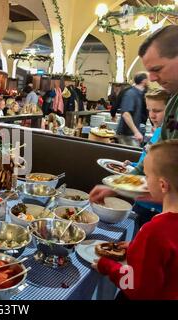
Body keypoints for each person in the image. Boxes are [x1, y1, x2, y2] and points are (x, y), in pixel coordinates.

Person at [90, 25, 178, 204]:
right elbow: (160, 152)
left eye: (157, 69)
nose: (152, 78)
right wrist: (117, 186)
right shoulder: (174, 101)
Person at [92, 140, 178, 300]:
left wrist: (107, 266)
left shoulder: (154, 230)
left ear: (162, 185)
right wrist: (135, 248)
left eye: (146, 176)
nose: (144, 181)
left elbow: (136, 288)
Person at [123, 89, 170, 227]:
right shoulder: (158, 131)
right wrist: (133, 164)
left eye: (157, 111)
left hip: (153, 209)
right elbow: (146, 162)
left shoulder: (166, 135)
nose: (152, 115)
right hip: (141, 202)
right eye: (149, 110)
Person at [116, 72, 149, 147]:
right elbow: (125, 114)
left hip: (131, 134)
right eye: (148, 79)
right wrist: (136, 132)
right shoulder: (131, 93)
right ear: (144, 81)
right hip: (126, 134)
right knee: (132, 157)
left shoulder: (139, 93)